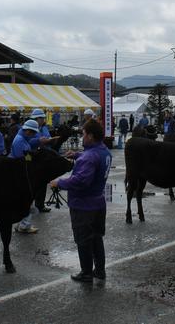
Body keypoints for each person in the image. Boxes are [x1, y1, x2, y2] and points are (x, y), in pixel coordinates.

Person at [51, 119, 111, 282]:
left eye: (84, 134)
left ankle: (86, 273)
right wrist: (77, 154)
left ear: (90, 136)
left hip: (84, 206)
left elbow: (80, 181)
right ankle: (99, 270)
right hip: (99, 202)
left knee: (84, 240)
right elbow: (92, 158)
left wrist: (59, 183)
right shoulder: (104, 151)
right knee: (97, 238)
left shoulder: (89, 157)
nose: (82, 137)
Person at [10, 119, 41, 233]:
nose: (33, 135)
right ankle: (24, 225)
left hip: (20, 174)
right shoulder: (20, 141)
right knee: (27, 200)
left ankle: (21, 224)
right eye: (33, 133)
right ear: (28, 131)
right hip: (21, 175)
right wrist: (33, 158)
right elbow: (23, 159)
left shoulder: (22, 139)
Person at [28, 108, 59, 213]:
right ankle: (30, 205)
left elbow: (48, 138)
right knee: (33, 183)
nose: (42, 120)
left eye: (43, 118)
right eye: (41, 118)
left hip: (44, 158)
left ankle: (40, 205)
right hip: (34, 158)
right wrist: (39, 141)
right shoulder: (29, 128)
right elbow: (28, 141)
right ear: (36, 119)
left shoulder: (44, 128)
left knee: (43, 182)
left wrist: (52, 141)